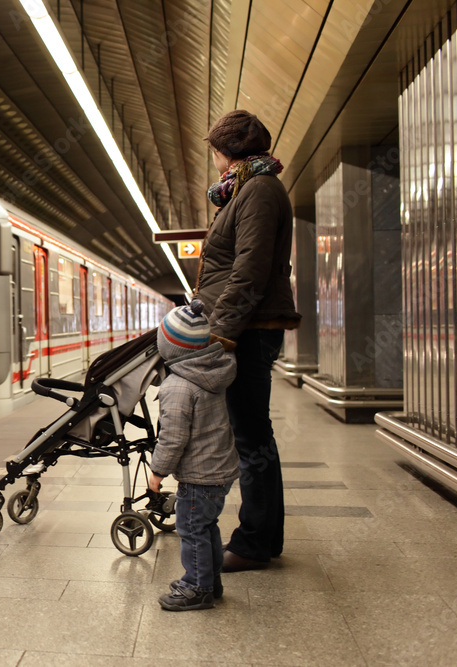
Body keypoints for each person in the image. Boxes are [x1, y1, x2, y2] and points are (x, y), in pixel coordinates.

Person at [196, 110, 301, 572]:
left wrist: (220, 332)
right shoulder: (247, 188)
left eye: (215, 151)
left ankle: (255, 541)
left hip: (249, 331)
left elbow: (250, 270)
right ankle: (260, 536)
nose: (214, 161)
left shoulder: (257, 191)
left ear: (227, 152)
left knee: (252, 436)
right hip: (247, 327)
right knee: (251, 434)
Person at [148, 299, 239, 611]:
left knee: (191, 530)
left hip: (199, 476)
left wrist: (157, 471)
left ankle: (196, 587)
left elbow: (172, 438)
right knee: (207, 526)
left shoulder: (177, 387)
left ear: (168, 348)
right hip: (220, 470)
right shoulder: (213, 372)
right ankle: (210, 581)